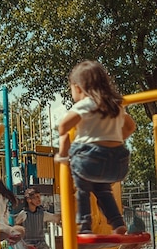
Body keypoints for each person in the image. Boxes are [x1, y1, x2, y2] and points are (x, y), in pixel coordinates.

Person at [56, 60, 136, 235]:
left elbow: (63, 126)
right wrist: (114, 140)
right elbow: (131, 127)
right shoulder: (116, 105)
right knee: (103, 190)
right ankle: (117, 223)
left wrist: (63, 153)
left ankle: (85, 226)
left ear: (78, 88)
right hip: (118, 164)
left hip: (90, 161)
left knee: (82, 189)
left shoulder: (85, 104)